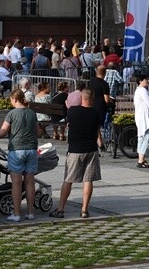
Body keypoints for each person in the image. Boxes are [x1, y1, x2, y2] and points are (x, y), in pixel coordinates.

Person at [51, 87, 102, 218]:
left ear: (81, 99)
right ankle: (84, 210)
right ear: (93, 99)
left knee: (68, 180)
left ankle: (61, 209)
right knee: (88, 180)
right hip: (91, 149)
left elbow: (67, 113)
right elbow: (97, 131)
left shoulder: (73, 111)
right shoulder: (96, 114)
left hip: (75, 150)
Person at [0, 88, 39, 222]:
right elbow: (38, 133)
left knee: (16, 183)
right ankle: (31, 212)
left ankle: (16, 213)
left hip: (17, 150)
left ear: (15, 99)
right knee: (30, 182)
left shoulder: (12, 113)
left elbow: (2, 132)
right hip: (32, 150)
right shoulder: (32, 113)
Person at [133, 73, 149, 168]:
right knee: (147, 137)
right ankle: (141, 159)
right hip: (145, 117)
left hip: (141, 116)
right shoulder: (142, 90)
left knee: (142, 138)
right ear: (140, 81)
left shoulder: (138, 90)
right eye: (145, 79)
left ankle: (141, 158)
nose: (148, 81)